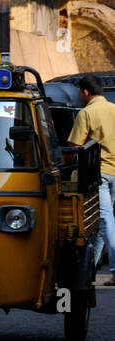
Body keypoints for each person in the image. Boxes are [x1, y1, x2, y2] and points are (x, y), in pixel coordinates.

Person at [67, 76, 115, 284]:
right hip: (114, 172)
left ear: (85, 92)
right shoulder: (114, 109)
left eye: (80, 92)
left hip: (99, 174)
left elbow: (74, 147)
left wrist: (62, 162)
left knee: (104, 221)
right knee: (98, 223)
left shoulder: (87, 113)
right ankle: (89, 271)